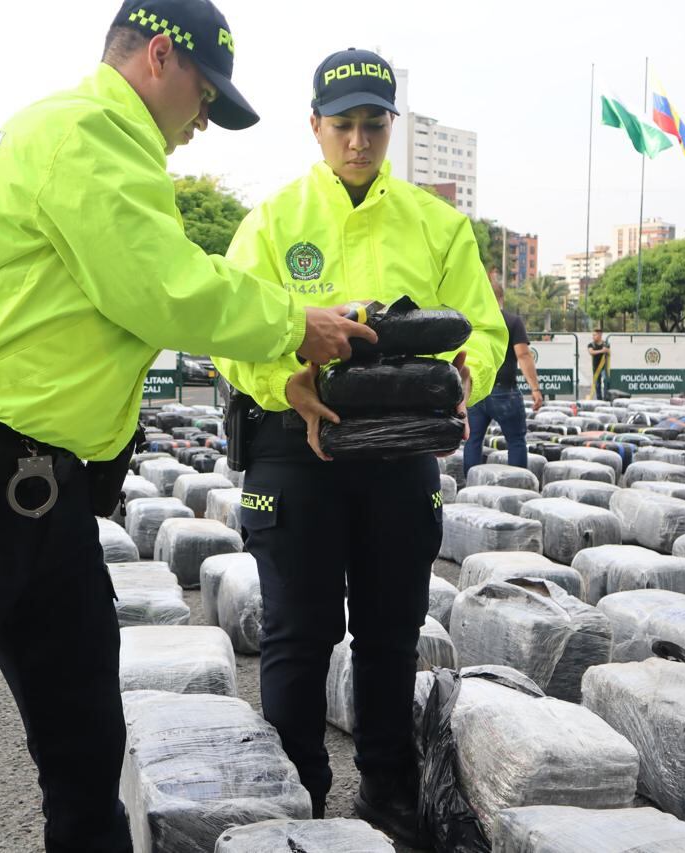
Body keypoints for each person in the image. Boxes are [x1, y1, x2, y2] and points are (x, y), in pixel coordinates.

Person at [0, 3, 375, 851]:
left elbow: (127, 303)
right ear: (160, 58)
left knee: (87, 752)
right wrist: (298, 323)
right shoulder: (85, 133)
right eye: (206, 97)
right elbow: (163, 288)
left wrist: (274, 361)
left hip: (45, 508)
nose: (203, 121)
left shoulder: (116, 154)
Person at [212, 48, 506, 846]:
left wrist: (463, 368)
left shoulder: (438, 224)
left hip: (400, 455)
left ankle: (388, 790)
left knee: (389, 631)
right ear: (315, 126)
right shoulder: (272, 222)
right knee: (297, 632)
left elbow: (480, 324)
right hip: (294, 448)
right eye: (342, 125)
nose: (357, 141)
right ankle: (298, 791)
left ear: (390, 127)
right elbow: (229, 333)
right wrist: (285, 381)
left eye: (373, 124)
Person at [462, 281, 543, 474]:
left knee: (473, 440)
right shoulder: (512, 321)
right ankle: (517, 486)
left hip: (476, 389)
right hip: (504, 390)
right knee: (515, 441)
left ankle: (471, 485)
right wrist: (535, 388)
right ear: (501, 299)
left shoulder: (470, 321)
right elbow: (523, 355)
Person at [588, 328, 611, 400]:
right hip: (596, 366)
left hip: (604, 366)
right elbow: (591, 352)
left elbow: (608, 351)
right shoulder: (591, 344)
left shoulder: (605, 343)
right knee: (597, 384)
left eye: (595, 335)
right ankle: (599, 399)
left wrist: (606, 350)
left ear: (600, 335)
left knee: (605, 380)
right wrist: (602, 351)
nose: (593, 337)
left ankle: (606, 398)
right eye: (593, 335)